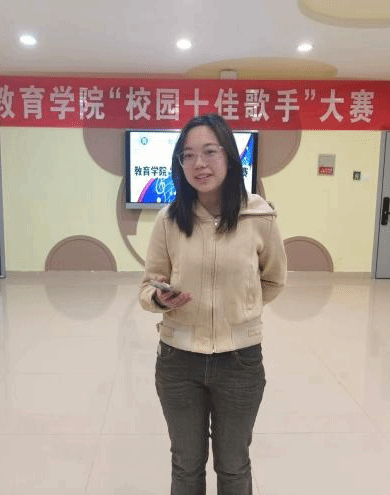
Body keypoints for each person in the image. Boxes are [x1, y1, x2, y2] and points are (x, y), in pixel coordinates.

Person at [139, 113, 287, 494]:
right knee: (186, 466)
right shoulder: (169, 220)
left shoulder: (260, 216)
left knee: (234, 466)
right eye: (187, 155)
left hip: (240, 362)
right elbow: (147, 286)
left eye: (209, 152)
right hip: (178, 361)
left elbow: (273, 280)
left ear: (229, 157)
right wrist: (160, 298)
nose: (198, 164)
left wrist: (239, 309)